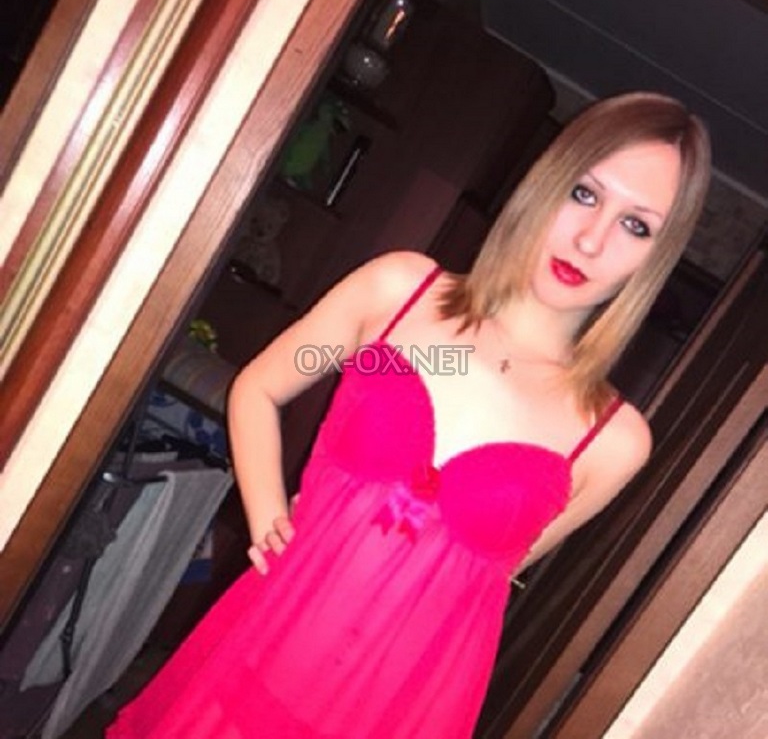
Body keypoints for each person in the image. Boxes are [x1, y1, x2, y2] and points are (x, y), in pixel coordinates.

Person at [107, 91, 711, 738]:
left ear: (656, 257)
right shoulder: (400, 293)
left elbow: (484, 583)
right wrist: (268, 519)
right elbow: (258, 387)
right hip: (259, 647)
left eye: (636, 225)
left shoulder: (612, 442)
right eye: (585, 194)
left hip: (395, 714)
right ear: (547, 184)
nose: (591, 240)